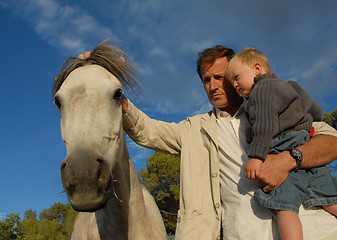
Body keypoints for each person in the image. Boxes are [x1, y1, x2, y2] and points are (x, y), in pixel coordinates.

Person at [78, 46, 337, 239]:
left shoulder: (274, 105)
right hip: (240, 232)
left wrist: (287, 160)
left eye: (219, 77)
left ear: (235, 77)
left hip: (307, 225)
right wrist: (106, 86)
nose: (213, 85)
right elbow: (147, 131)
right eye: (206, 80)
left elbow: (330, 140)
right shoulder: (194, 129)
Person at [226, 47, 337, 239]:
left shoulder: (260, 91)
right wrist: (307, 125)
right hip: (304, 142)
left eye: (236, 77)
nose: (234, 85)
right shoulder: (291, 85)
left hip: (281, 146)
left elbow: (265, 124)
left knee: (284, 207)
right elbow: (315, 109)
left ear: (257, 69)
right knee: (329, 199)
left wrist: (256, 156)